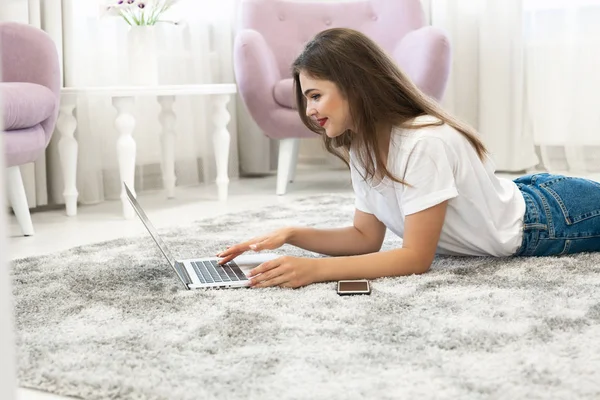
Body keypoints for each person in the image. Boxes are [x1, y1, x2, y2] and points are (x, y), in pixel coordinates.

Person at [218, 28, 600, 289]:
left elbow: (416, 258)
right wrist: (292, 235)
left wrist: (316, 270)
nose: (310, 108)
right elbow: (365, 238)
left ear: (355, 87)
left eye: (316, 95)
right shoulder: (362, 145)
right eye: (305, 98)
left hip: (550, 219)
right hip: (523, 195)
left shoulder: (424, 142)